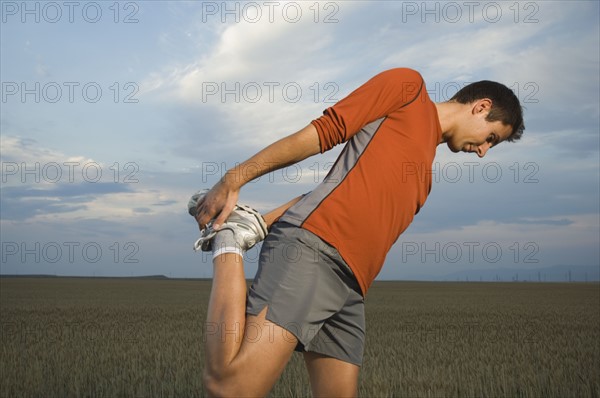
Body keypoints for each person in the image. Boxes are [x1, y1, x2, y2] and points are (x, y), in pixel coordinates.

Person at [189, 67, 525, 397]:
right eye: (491, 138)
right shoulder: (409, 89)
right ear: (481, 107)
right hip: (313, 254)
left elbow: (329, 193)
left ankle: (241, 229)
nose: (483, 151)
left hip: (351, 289)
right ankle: (227, 241)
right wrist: (235, 179)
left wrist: (262, 223)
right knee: (231, 388)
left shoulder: (425, 175)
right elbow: (323, 132)